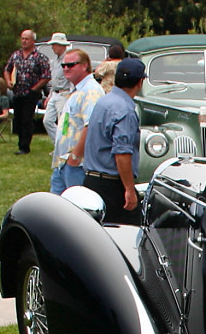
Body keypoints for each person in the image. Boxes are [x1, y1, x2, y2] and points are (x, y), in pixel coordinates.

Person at [83, 58, 144, 224]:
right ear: (140, 82)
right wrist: (130, 190)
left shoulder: (103, 102)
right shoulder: (125, 110)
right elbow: (122, 153)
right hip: (112, 186)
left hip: (91, 179)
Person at [51, 49, 104, 194]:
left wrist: (75, 156)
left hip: (78, 166)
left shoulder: (91, 91)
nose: (66, 69)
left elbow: (91, 126)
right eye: (64, 66)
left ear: (85, 65)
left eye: (71, 65)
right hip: (63, 163)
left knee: (75, 211)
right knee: (56, 211)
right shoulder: (77, 90)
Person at [3, 29, 51, 154]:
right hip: (17, 91)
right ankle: (20, 142)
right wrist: (8, 81)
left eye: (26, 39)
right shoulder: (16, 55)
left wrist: (35, 88)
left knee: (27, 119)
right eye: (22, 38)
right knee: (18, 119)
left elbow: (46, 76)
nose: (24, 41)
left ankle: (25, 146)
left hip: (31, 92)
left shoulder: (40, 57)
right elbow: (7, 69)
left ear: (33, 41)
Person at [42, 32, 74, 142]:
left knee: (63, 122)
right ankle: (58, 144)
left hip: (64, 94)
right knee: (47, 120)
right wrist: (49, 95)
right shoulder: (54, 60)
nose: (52, 47)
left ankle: (64, 146)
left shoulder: (68, 60)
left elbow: (72, 79)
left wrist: (71, 95)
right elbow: (54, 80)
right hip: (54, 93)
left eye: (54, 44)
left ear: (61, 45)